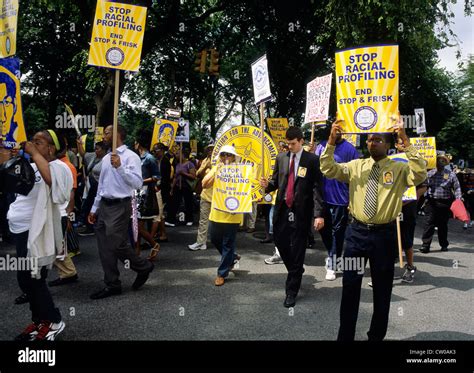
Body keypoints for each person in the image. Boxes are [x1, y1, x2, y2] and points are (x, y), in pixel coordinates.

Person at [320, 117, 427, 341]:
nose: (372, 143)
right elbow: (328, 169)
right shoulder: (356, 166)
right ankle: (345, 337)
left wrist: (406, 141)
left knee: (382, 290)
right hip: (357, 235)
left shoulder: (399, 168)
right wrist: (331, 141)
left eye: (377, 139)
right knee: (350, 288)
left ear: (388, 145)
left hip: (384, 237)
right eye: (369, 139)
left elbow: (420, 174)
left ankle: (376, 337)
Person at [8, 129, 72, 340]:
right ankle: (39, 321)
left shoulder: (58, 166)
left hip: (39, 229)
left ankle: (53, 320)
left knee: (35, 278)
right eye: (32, 141)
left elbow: (56, 187)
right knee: (26, 279)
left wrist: (33, 153)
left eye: (38, 142)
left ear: (51, 148)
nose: (32, 144)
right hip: (21, 229)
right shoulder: (33, 166)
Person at [259, 127, 325, 308]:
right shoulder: (281, 158)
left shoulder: (312, 160)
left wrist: (318, 215)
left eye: (293, 143)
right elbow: (275, 182)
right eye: (287, 144)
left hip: (301, 213)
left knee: (297, 250)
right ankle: (296, 269)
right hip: (282, 210)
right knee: (280, 243)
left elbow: (317, 189)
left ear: (301, 141)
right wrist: (267, 185)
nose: (289, 147)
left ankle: (291, 291)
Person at [88, 125, 154, 299]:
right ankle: (112, 283)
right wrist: (94, 208)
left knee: (117, 245)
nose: (104, 135)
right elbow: (101, 185)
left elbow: (138, 183)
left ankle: (143, 266)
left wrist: (120, 167)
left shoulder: (131, 157)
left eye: (108, 132)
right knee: (104, 247)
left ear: (118, 134)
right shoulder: (106, 158)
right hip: (104, 205)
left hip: (120, 205)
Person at [315, 131, 359, 280]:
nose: (337, 133)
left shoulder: (350, 149)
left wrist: (353, 199)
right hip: (322, 198)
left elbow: (356, 175)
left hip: (341, 199)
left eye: (340, 131)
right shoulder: (321, 146)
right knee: (322, 229)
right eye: (335, 130)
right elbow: (315, 169)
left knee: (338, 232)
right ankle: (333, 255)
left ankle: (332, 264)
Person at [202, 145, 244, 286]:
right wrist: (217, 171)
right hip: (217, 212)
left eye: (229, 155)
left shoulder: (241, 170)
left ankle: (222, 273)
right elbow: (204, 184)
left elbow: (246, 190)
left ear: (233, 157)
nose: (226, 157)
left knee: (227, 243)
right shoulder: (217, 168)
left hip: (233, 213)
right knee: (214, 239)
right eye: (223, 155)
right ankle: (232, 257)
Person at [420, 154, 462, 253]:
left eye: (443, 161)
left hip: (445, 203)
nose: (440, 163)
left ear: (446, 163)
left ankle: (444, 245)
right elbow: (424, 185)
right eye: (439, 160)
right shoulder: (430, 173)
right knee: (429, 223)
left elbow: (457, 187)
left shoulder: (451, 174)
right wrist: (425, 196)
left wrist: (458, 199)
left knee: (442, 225)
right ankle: (425, 245)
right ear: (435, 161)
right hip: (431, 202)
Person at [134, 130, 161, 261]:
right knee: (137, 224)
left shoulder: (150, 158)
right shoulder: (137, 158)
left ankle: (154, 244)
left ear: (138, 144)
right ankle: (137, 251)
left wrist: (141, 181)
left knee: (138, 226)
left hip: (147, 195)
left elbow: (157, 177)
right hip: (138, 193)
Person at [76, 140, 108, 236]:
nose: (95, 151)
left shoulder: (107, 159)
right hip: (93, 186)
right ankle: (90, 225)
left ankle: (95, 226)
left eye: (97, 149)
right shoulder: (93, 156)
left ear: (103, 150)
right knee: (89, 205)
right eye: (95, 149)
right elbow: (83, 154)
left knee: (96, 206)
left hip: (102, 186)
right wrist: (79, 144)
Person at [189, 144, 214, 251]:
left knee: (219, 222)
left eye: (212, 149)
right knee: (203, 220)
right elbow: (197, 174)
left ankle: (221, 243)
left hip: (219, 196)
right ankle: (201, 242)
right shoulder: (205, 160)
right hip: (205, 195)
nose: (210, 151)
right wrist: (206, 166)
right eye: (208, 149)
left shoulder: (221, 161)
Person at [167, 148, 196, 226]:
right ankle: (171, 220)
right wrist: (172, 188)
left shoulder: (190, 164)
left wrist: (183, 173)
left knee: (188, 203)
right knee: (174, 203)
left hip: (186, 186)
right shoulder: (177, 165)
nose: (176, 155)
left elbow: (193, 176)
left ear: (182, 155)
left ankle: (190, 219)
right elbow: (175, 178)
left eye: (177, 154)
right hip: (177, 186)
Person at [150, 142, 170, 242]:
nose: (154, 153)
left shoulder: (165, 161)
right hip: (158, 189)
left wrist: (159, 186)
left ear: (161, 150)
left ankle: (152, 237)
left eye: (155, 151)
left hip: (161, 190)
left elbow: (165, 179)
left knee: (159, 214)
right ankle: (162, 233)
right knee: (160, 214)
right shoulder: (158, 160)